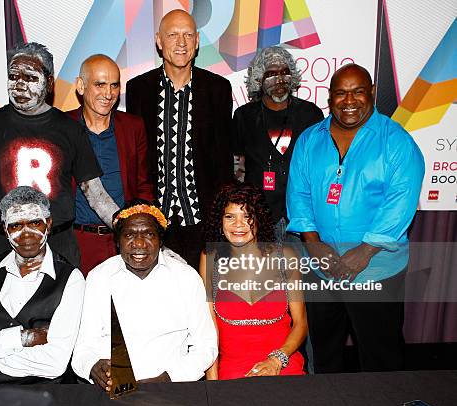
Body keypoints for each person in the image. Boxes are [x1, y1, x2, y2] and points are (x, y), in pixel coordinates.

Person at [287, 64, 425, 373]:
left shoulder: (396, 141)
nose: (349, 101)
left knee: (380, 356)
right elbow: (299, 193)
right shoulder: (310, 140)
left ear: (372, 93)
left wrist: (363, 252)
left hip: (376, 270)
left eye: (358, 92)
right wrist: (312, 243)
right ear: (329, 97)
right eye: (341, 93)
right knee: (325, 353)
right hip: (321, 268)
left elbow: (400, 202)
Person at [0, 42, 119, 267]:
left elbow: (96, 195)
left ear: (48, 83)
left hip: (59, 245)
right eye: (13, 76)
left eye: (30, 78)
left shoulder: (71, 128)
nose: (19, 85)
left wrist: (133, 228)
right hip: (5, 244)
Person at [0, 186, 85, 385]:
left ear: (49, 224)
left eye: (35, 223)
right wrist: (22, 338)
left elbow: (54, 363)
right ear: (5, 229)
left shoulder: (71, 279)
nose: (26, 234)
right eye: (16, 226)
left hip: (38, 393)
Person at [126, 9, 234, 267]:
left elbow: (223, 158)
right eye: (173, 35)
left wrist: (222, 215)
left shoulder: (217, 89)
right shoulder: (138, 89)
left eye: (188, 35)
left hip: (203, 218)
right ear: (159, 41)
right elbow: (137, 156)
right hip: (154, 218)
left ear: (197, 42)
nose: (181, 43)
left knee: (202, 295)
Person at [72, 200, 217, 391]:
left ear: (160, 240)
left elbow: (206, 346)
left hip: (171, 391)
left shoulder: (186, 278)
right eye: (129, 235)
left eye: (149, 234)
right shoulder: (99, 277)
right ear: (117, 241)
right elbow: (83, 347)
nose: (139, 243)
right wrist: (92, 366)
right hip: (111, 390)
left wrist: (169, 378)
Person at [200, 182, 307, 379]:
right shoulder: (210, 258)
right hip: (233, 369)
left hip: (283, 363)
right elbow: (209, 327)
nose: (238, 225)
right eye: (230, 217)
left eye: (247, 216)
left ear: (259, 220)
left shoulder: (286, 256)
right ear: (220, 222)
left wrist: (276, 360)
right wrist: (212, 386)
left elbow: (301, 324)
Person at [66, 54, 154, 275]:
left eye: (114, 85)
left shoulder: (133, 126)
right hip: (77, 242)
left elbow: (143, 185)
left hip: (122, 242)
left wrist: (139, 233)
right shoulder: (61, 127)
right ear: (80, 86)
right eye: (100, 84)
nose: (108, 94)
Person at [231, 46, 324, 243]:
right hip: (257, 216)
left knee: (296, 272)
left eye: (285, 73)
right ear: (258, 79)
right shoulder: (244, 116)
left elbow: (320, 168)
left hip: (301, 218)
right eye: (271, 74)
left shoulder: (311, 114)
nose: (280, 80)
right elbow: (237, 165)